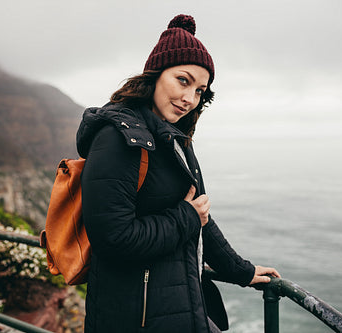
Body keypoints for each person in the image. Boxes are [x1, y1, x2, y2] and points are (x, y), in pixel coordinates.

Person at [76, 14, 280, 333]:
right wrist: (186, 217)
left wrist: (241, 271)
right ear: (155, 75)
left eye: (200, 90)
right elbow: (113, 238)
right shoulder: (117, 137)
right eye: (183, 81)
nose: (190, 98)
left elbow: (200, 215)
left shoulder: (175, 139)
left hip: (179, 307)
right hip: (134, 317)